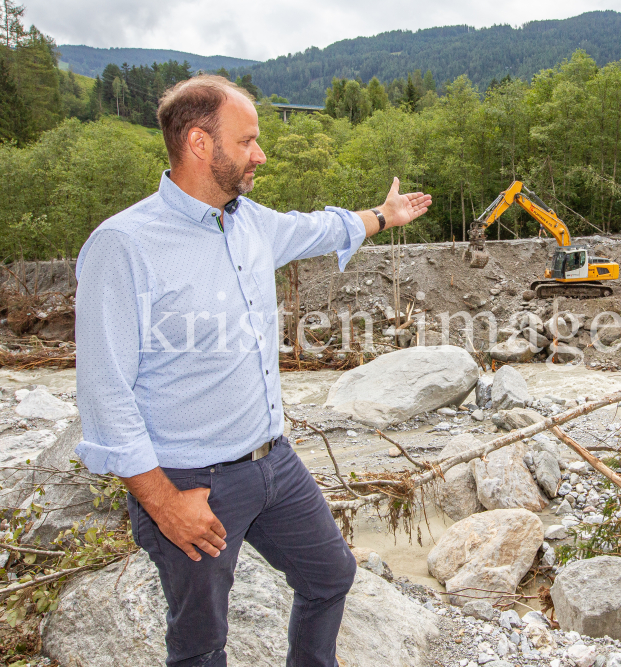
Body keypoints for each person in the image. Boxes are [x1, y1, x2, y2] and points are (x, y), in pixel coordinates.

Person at [74, 75, 431, 667]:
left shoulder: (249, 222)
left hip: (273, 462)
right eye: (248, 141)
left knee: (330, 577)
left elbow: (317, 227)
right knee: (200, 645)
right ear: (199, 143)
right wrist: (164, 503)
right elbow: (104, 393)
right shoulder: (124, 246)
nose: (260, 155)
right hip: (192, 482)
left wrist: (382, 216)